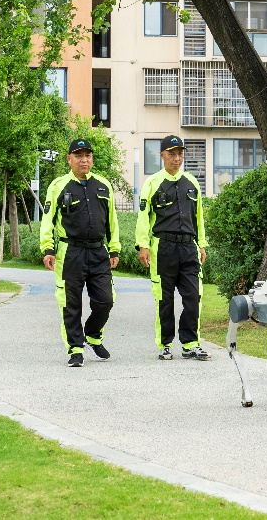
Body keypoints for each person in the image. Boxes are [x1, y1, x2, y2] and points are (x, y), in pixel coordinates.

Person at [40, 138, 121, 367]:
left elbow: (112, 221)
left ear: (92, 158)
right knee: (70, 302)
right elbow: (48, 220)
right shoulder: (58, 186)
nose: (84, 160)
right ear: (69, 159)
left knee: (106, 299)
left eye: (87, 155)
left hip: (98, 252)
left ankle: (93, 335)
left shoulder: (104, 185)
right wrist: (48, 248)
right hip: (70, 253)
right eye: (78, 156)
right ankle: (75, 349)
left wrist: (114, 248)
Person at [135, 135, 210, 361]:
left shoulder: (192, 183)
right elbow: (143, 218)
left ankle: (190, 343)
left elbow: (198, 218)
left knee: (193, 296)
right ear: (162, 156)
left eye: (180, 154)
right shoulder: (152, 183)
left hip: (189, 247)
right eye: (171, 154)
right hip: (163, 247)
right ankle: (165, 344)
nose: (176, 159)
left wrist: (202, 244)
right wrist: (143, 246)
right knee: (164, 298)